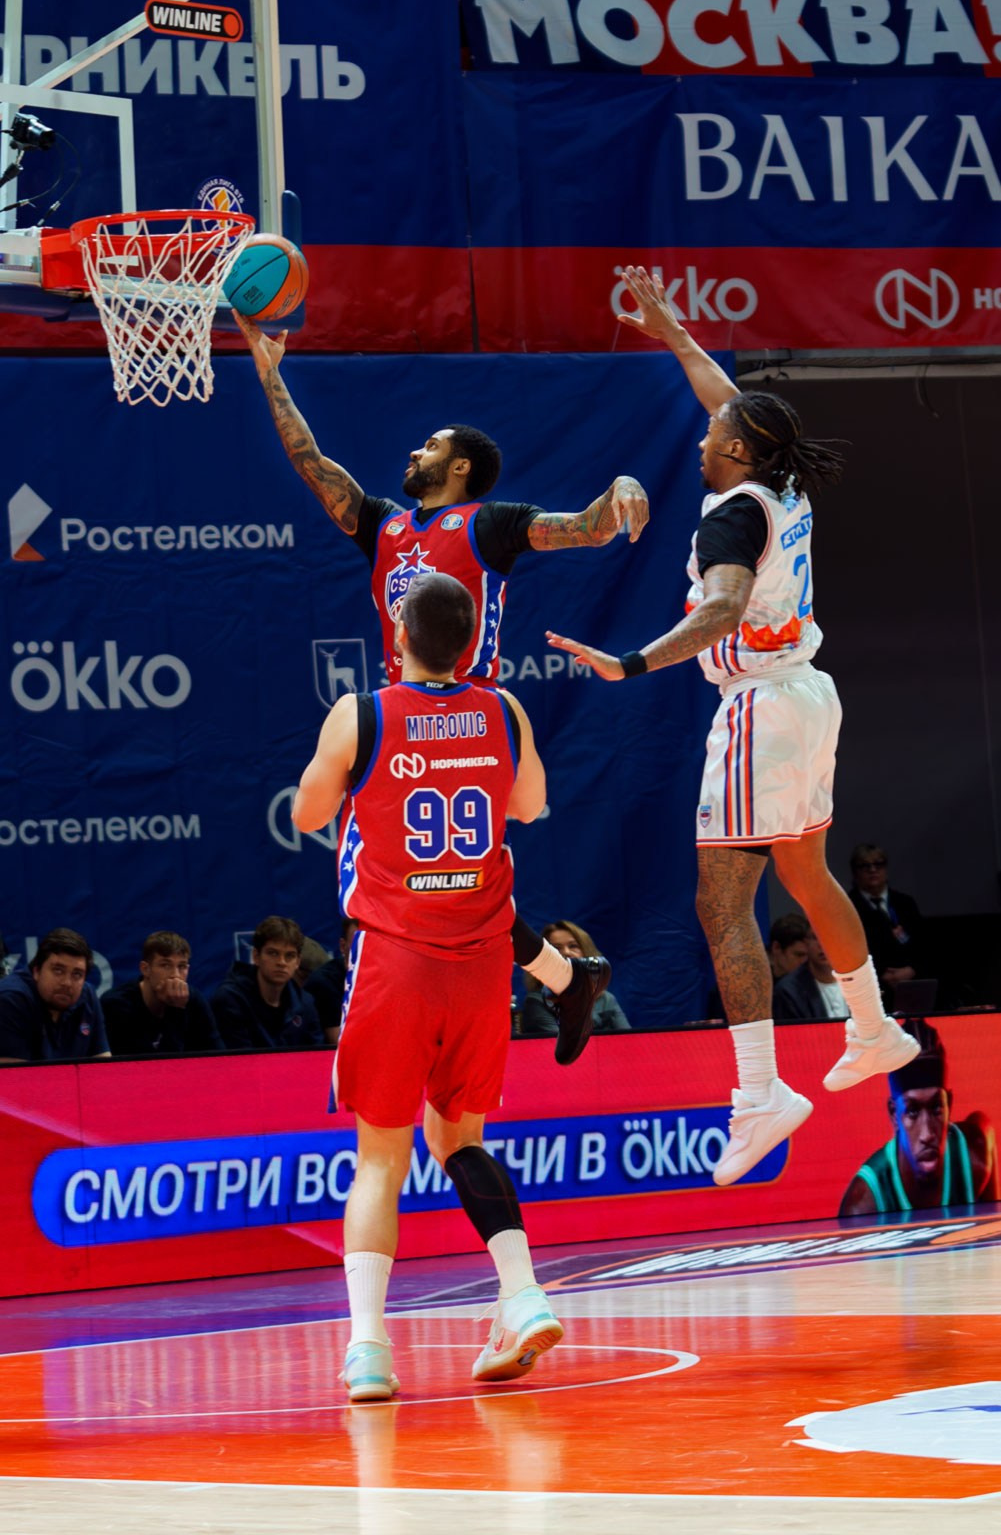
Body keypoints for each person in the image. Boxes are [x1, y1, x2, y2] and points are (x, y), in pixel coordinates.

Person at [546, 264, 919, 1186]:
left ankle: (759, 1093)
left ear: (739, 451)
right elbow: (728, 399)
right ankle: (873, 1027)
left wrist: (631, 663)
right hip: (809, 695)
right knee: (804, 871)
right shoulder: (779, 486)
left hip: (758, 706)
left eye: (715, 435)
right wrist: (673, 331)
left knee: (720, 903)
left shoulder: (728, 523)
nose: (702, 434)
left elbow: (717, 612)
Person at [236, 311, 629, 1060]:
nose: (415, 451)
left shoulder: (491, 524)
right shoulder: (384, 526)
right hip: (407, 712)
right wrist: (269, 373)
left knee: (403, 882)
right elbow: (311, 463)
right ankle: (563, 979)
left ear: (460, 469)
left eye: (432, 446)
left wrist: (623, 487)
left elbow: (586, 526)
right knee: (444, 886)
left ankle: (428, 1019)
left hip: (468, 712)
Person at [292, 572, 563, 1403]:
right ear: (470, 642)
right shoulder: (502, 710)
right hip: (479, 962)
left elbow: (305, 815)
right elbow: (531, 806)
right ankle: (521, 1295)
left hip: (396, 958)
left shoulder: (362, 714)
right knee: (460, 1140)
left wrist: (371, 785)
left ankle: (369, 1349)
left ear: (399, 634)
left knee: (381, 1159)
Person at [839, 1019, 999, 1215]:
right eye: (912, 1111)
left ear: (949, 1104)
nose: (927, 1134)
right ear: (894, 1114)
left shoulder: (974, 1156)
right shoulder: (864, 1203)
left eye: (936, 1108)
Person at [211, 917, 324, 1051]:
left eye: (289, 956)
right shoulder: (230, 999)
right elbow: (239, 1059)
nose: (281, 962)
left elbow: (317, 1055)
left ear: (297, 962)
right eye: (273, 953)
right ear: (256, 956)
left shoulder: (305, 1003)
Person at [101, 931, 223, 1057]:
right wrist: (176, 1009)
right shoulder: (116, 1005)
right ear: (145, 969)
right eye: (165, 965)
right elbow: (155, 1065)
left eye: (182, 966)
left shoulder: (193, 1000)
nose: (175, 975)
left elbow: (219, 1058)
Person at [0, 928, 110, 1064]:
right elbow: (14, 1075)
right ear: (37, 971)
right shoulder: (10, 1000)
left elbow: (104, 1066)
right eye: (58, 970)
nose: (67, 983)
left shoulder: (88, 996)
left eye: (77, 974)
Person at [521, 921, 631, 1037]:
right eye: (556, 948)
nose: (566, 952)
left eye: (573, 946)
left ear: (587, 953)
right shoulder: (537, 1001)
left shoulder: (605, 999)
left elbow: (630, 1040)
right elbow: (562, 1045)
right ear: (544, 959)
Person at [848, 842, 929, 996]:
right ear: (855, 872)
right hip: (871, 987)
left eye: (878, 864)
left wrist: (912, 969)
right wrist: (881, 975)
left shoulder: (905, 903)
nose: (873, 870)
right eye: (865, 866)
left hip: (912, 981)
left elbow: (924, 944)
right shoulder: (847, 907)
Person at [303, 916, 359, 1046]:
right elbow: (340, 1043)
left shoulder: (383, 981)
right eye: (357, 943)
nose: (364, 949)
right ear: (343, 946)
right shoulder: (325, 983)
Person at [773, 928, 849, 1022]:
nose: (822, 945)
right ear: (806, 943)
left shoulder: (858, 981)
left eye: (830, 938)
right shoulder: (788, 992)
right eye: (816, 937)